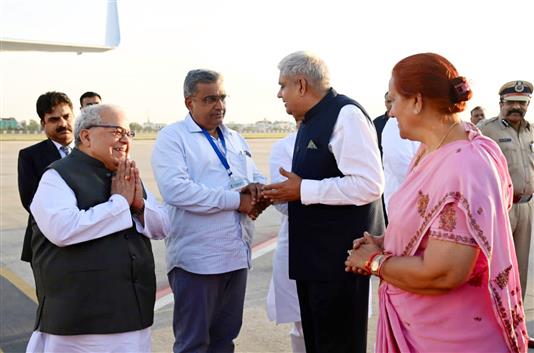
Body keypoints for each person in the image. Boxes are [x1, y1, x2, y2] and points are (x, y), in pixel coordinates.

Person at [346, 53, 528, 352]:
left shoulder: (465, 164)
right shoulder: (432, 150)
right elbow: (432, 228)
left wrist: (374, 262)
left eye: (393, 101)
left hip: (451, 337)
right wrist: (387, 241)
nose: (390, 113)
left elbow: (445, 272)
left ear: (416, 101)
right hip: (424, 325)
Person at [263, 51, 385, 353]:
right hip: (314, 263)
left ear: (302, 85)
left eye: (283, 86)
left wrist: (304, 190)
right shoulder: (310, 121)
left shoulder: (346, 116)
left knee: (338, 344)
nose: (280, 94)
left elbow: (369, 184)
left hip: (338, 265)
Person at [26, 104, 169, 353]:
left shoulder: (126, 173)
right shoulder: (58, 177)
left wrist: (138, 205)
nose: (125, 139)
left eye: (129, 133)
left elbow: (163, 227)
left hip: (132, 315)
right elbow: (63, 230)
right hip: (80, 324)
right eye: (116, 131)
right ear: (86, 136)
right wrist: (119, 204)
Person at [151, 69, 267, 353]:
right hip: (198, 262)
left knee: (224, 341)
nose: (219, 105)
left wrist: (260, 194)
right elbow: (177, 190)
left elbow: (254, 178)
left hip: (235, 256)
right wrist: (236, 201)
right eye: (210, 99)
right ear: (189, 102)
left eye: (222, 97)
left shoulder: (236, 139)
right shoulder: (173, 137)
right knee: (193, 344)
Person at [478, 80, 534, 348]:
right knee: (496, 268)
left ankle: (517, 329)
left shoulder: (531, 131)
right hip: (499, 208)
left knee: (519, 271)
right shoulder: (486, 129)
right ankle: (490, 329)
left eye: (522, 103)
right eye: (511, 102)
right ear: (501, 103)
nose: (516, 107)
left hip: (526, 207)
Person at [18, 91, 75, 263]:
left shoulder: (91, 150)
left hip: (90, 243)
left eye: (66, 116)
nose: (63, 124)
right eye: (54, 119)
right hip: (48, 244)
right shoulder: (30, 156)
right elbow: (31, 200)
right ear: (43, 123)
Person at [266, 119, 306, 353]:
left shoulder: (343, 141)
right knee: (301, 323)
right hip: (297, 241)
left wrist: (304, 191)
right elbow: (280, 201)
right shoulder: (285, 147)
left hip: (338, 244)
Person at [373, 91, 392, 157]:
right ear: (385, 103)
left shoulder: (407, 122)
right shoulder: (376, 122)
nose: (391, 104)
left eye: (394, 101)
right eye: (389, 101)